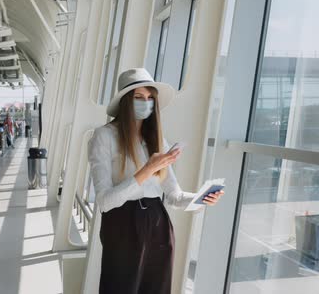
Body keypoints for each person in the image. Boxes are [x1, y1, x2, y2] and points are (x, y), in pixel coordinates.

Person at [88, 68, 224, 294]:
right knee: (120, 288)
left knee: (157, 289)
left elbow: (174, 196)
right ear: (125, 101)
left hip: (158, 221)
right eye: (139, 97)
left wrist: (202, 199)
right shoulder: (104, 136)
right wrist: (147, 170)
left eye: (150, 97)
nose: (146, 102)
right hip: (122, 222)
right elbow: (104, 202)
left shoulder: (156, 138)